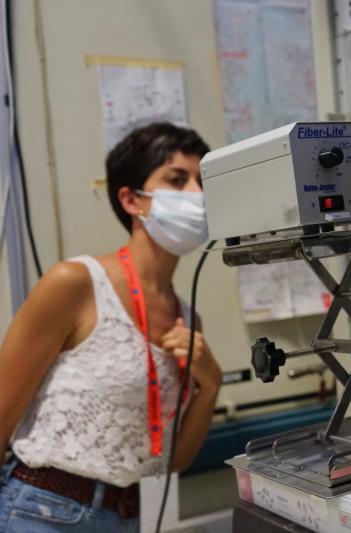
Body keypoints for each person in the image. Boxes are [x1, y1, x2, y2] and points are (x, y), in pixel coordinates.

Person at [0, 122, 222, 532]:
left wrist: (211, 383)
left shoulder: (186, 318)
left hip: (128, 514)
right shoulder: (74, 283)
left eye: (203, 180)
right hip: (43, 512)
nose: (198, 194)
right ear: (132, 200)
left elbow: (173, 461)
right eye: (177, 180)